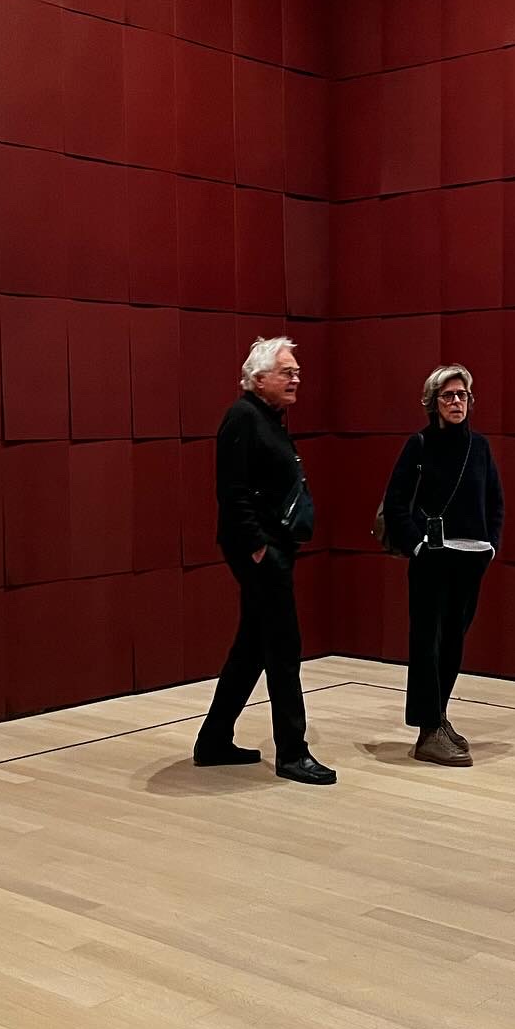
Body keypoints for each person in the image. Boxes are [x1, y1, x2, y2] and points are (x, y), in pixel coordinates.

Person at [194, 335, 335, 785]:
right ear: (258, 379)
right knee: (284, 648)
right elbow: (231, 490)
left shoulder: (268, 418)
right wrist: (258, 546)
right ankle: (293, 752)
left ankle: (213, 740)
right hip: (260, 552)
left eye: (297, 372)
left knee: (252, 647)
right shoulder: (243, 417)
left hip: (271, 549)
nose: (296, 378)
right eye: (286, 372)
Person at [383, 364, 504, 766]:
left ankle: (438, 716)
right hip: (433, 559)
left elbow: (495, 501)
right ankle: (427, 731)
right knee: (427, 644)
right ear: (432, 402)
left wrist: (491, 546)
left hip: (472, 559)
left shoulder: (480, 447)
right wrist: (418, 546)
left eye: (462, 395)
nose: (456, 402)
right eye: (448, 396)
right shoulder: (418, 445)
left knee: (453, 642)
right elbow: (396, 503)